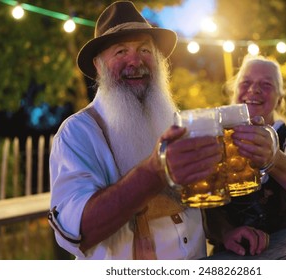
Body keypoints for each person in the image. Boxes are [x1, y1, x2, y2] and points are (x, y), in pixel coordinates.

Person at [47, 1, 227, 260]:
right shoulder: (77, 133)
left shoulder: (173, 120)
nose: (135, 61)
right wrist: (155, 170)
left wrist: (225, 230)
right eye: (121, 52)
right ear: (98, 65)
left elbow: (193, 202)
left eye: (145, 50)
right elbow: (78, 231)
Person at [203, 55, 286, 256]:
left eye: (266, 84)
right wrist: (226, 232)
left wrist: (274, 159)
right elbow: (206, 209)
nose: (254, 89)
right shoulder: (215, 140)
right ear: (235, 92)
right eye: (246, 82)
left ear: (280, 99)